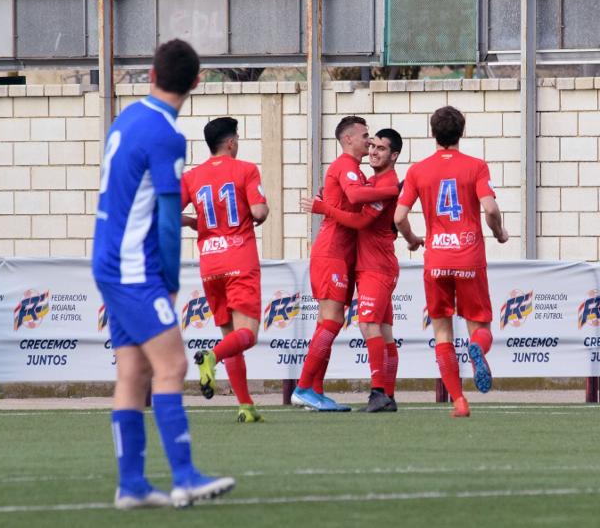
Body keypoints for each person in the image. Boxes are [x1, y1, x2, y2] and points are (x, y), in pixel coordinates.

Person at [92, 39, 234, 509]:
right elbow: (171, 218)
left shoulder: (127, 118)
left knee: (133, 370)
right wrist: (169, 282)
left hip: (109, 259)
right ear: (197, 82)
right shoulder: (167, 136)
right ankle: (185, 476)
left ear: (151, 73)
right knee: (172, 366)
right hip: (136, 268)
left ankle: (131, 484)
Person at [393, 106, 509, 418]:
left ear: (433, 133)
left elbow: (399, 217)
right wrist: (499, 232)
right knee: (480, 326)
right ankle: (477, 349)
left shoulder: (418, 171)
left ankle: (459, 402)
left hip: (437, 261)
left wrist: (412, 239)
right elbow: (491, 209)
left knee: (442, 333)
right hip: (469, 258)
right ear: (462, 132)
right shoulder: (476, 167)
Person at [291, 116, 399, 412]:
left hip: (346, 256)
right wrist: (394, 191)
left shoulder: (360, 172)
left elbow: (363, 208)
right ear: (348, 138)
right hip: (333, 253)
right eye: (366, 136)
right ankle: (303, 387)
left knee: (332, 321)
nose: (370, 142)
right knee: (333, 320)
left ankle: (314, 391)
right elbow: (353, 197)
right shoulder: (346, 166)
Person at [181, 117, 268, 423]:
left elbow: (162, 211)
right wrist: (261, 210)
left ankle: (245, 405)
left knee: (231, 337)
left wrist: (192, 222)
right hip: (239, 261)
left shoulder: (192, 177)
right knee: (248, 334)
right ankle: (211, 357)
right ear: (231, 142)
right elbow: (258, 211)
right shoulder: (245, 169)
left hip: (210, 266)